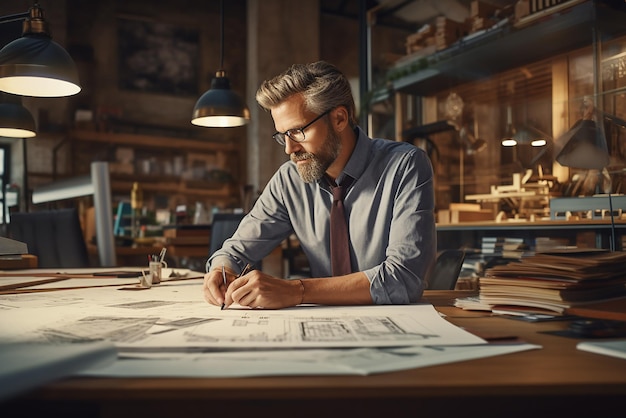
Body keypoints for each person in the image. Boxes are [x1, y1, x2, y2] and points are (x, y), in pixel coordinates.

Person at [203, 61, 436, 309]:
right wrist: (222, 268)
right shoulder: (288, 181)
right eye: (282, 135)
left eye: (298, 132)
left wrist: (297, 291)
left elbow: (403, 278)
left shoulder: (406, 165)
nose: (289, 149)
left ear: (339, 118)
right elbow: (235, 251)